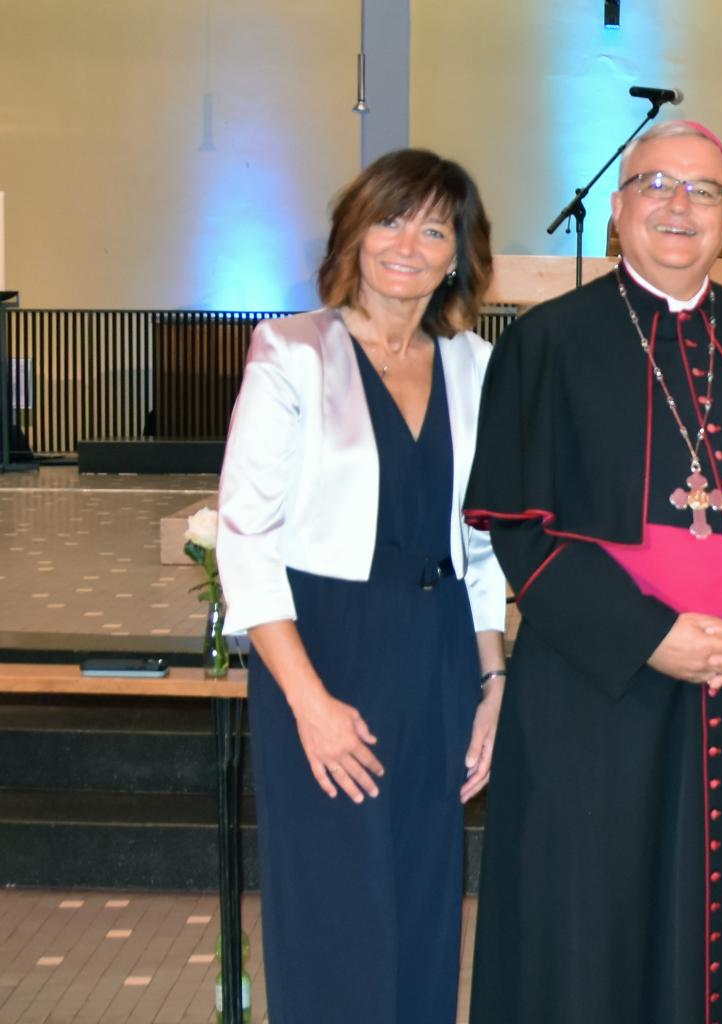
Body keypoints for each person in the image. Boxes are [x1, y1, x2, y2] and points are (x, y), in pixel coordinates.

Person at [464, 119, 722, 1022]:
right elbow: (525, 535)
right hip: (596, 692)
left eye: (705, 191)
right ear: (617, 206)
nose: (680, 207)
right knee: (590, 923)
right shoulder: (548, 342)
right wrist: (653, 636)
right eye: (657, 185)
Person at [216, 147, 505, 1023]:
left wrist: (492, 684)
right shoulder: (292, 350)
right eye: (390, 219)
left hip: (443, 653)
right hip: (327, 648)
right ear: (354, 231)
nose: (407, 244)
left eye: (433, 227)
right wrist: (308, 702)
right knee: (336, 909)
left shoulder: (471, 365)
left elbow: (484, 547)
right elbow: (247, 541)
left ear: (458, 252)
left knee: (423, 902)